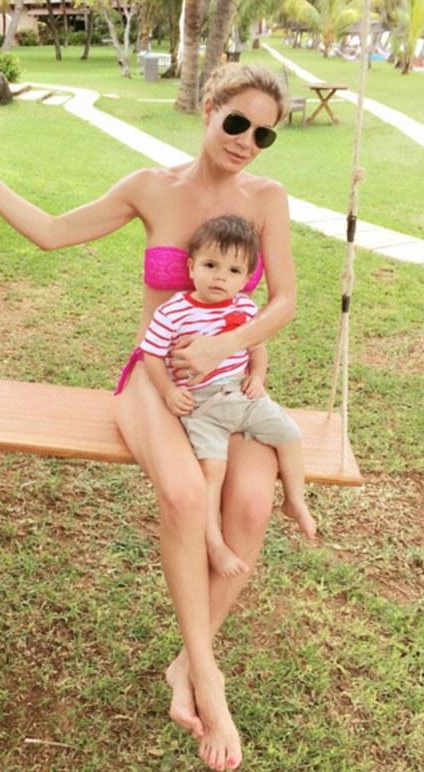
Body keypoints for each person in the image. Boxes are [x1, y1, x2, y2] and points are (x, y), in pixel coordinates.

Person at [0, 63, 297, 772]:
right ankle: (208, 677)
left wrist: (226, 346)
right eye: (237, 122)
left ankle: (185, 661)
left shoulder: (266, 199)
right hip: (153, 380)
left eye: (264, 134)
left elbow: (283, 301)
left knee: (251, 505)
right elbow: (51, 232)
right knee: (184, 495)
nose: (247, 141)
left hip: (229, 383)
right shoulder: (150, 187)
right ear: (209, 109)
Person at [138, 215, 316, 579]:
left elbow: (257, 348)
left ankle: (295, 500)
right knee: (212, 470)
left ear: (246, 278)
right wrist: (169, 390)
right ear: (191, 267)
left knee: (289, 435)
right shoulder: (173, 311)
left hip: (243, 396)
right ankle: (214, 542)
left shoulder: (245, 309)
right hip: (201, 406)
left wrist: (258, 375)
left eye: (233, 271)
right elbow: (151, 355)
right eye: (210, 266)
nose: (220, 277)